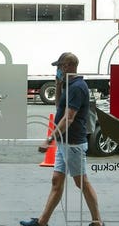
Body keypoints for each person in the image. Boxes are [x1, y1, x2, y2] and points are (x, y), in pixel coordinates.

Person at [21, 52, 104, 226]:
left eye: (59, 67)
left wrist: (49, 139)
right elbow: (59, 105)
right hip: (64, 143)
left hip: (73, 143)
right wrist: (59, 85)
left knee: (82, 182)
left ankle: (98, 221)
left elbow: (69, 118)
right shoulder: (69, 85)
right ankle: (42, 222)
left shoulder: (77, 87)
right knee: (56, 181)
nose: (57, 70)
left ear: (67, 66)